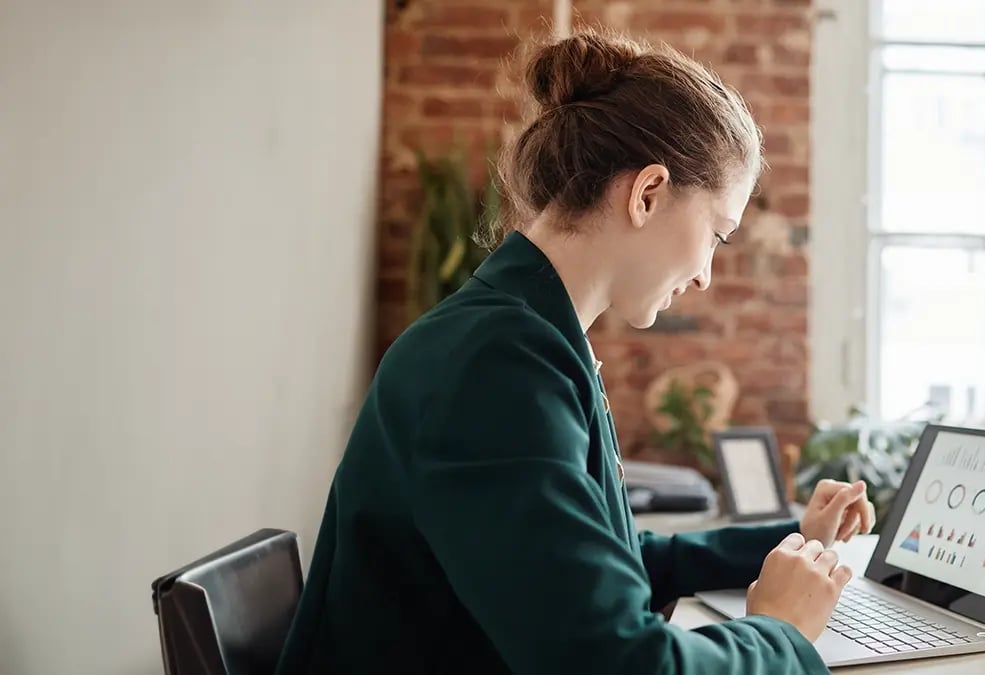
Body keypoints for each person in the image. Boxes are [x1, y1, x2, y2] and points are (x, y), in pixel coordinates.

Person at [275, 28, 877, 675]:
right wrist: (782, 632)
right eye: (717, 234)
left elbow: (606, 557)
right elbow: (613, 662)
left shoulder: (523, 337)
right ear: (647, 194)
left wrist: (793, 545)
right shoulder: (496, 365)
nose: (706, 274)